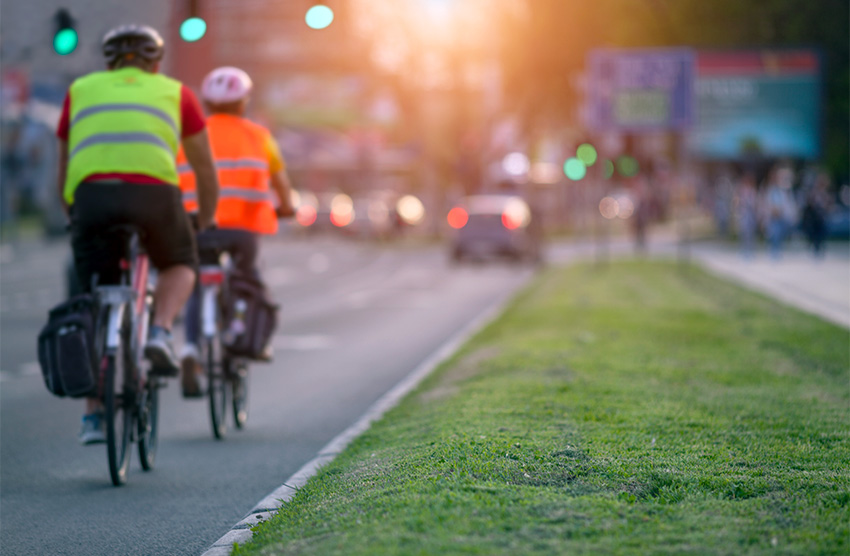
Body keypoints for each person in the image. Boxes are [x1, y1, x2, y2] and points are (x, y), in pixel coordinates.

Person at [56, 24, 219, 444]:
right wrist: (205, 218)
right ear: (156, 63)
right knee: (181, 263)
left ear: (108, 62)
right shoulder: (176, 93)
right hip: (155, 195)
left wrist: (71, 210)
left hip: (92, 198)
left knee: (93, 295)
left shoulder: (81, 90)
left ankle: (93, 417)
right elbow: (204, 167)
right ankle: (161, 331)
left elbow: (65, 159)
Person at [176, 66, 296, 397]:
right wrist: (287, 207)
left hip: (197, 226)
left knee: (198, 285)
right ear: (244, 102)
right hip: (243, 230)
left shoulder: (189, 136)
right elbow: (282, 184)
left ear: (206, 103)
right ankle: (241, 332)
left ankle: (189, 349)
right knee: (246, 280)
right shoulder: (260, 136)